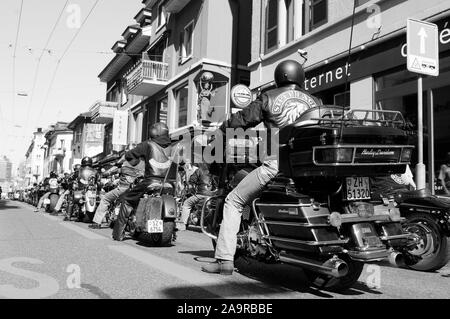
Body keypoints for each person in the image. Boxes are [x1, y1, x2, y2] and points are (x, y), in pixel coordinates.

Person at [201, 60, 322, 275]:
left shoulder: (269, 96)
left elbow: (241, 120)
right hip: (309, 167)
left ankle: (224, 261)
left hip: (277, 165)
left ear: (278, 76)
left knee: (233, 201)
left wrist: (222, 130)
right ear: (301, 77)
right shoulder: (315, 101)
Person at [112, 122, 180, 241]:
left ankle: (118, 234)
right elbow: (182, 163)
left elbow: (130, 155)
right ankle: (172, 230)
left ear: (153, 132)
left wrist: (134, 160)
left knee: (127, 200)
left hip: (151, 181)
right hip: (170, 184)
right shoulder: (175, 146)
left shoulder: (148, 144)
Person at [89, 144, 145, 229]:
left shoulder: (125, 161)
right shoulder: (143, 163)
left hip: (124, 188)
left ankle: (97, 222)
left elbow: (115, 168)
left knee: (105, 199)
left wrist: (105, 173)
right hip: (139, 189)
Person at [178, 163, 217, 231]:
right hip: (212, 197)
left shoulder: (199, 170)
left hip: (201, 194)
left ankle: (182, 225)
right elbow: (216, 186)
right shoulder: (217, 172)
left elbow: (191, 183)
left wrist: (191, 190)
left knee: (187, 203)